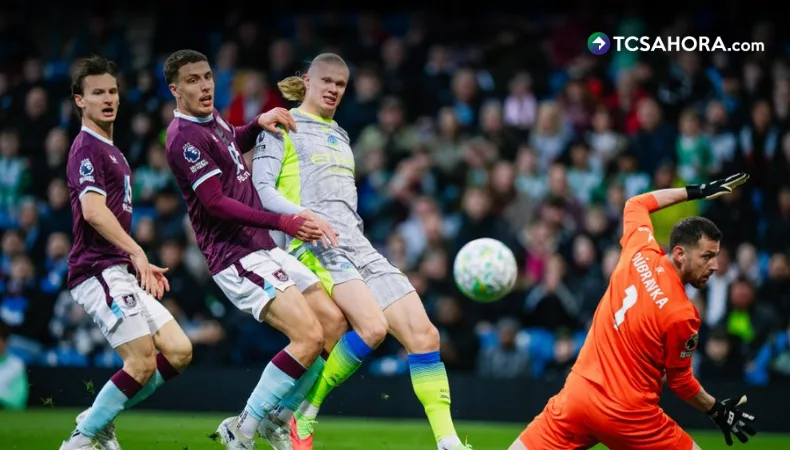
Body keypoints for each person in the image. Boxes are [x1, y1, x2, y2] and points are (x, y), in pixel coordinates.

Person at [252, 53, 472, 450]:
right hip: (314, 243)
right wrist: (300, 220)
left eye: (341, 83)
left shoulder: (341, 135)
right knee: (371, 329)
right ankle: (302, 413)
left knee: (425, 335)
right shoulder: (281, 125)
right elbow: (262, 191)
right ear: (307, 80)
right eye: (327, 81)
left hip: (358, 244)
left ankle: (449, 441)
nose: (334, 89)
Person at [162, 49, 349, 450]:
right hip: (235, 255)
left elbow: (230, 146)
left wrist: (255, 125)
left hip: (261, 247)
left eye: (207, 76)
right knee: (307, 337)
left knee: (334, 326)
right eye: (193, 80)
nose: (205, 86)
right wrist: (283, 221)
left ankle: (278, 418)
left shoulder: (211, 119)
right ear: (175, 90)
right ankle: (243, 427)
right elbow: (215, 203)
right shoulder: (183, 138)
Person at [510, 173, 757, 450]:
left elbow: (636, 203)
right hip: (629, 415)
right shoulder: (683, 314)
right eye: (707, 256)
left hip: (579, 397)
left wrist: (697, 191)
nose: (715, 266)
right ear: (679, 254)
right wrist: (716, 410)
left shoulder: (639, 250)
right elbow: (680, 382)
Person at [60, 56, 193, 450]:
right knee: (140, 362)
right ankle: (81, 440)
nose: (108, 99)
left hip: (117, 269)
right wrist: (136, 252)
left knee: (179, 351)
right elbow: (92, 211)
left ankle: (98, 418)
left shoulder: (112, 150)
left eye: (112, 91)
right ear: (79, 101)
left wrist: (133, 259)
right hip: (96, 271)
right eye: (97, 93)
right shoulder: (87, 147)